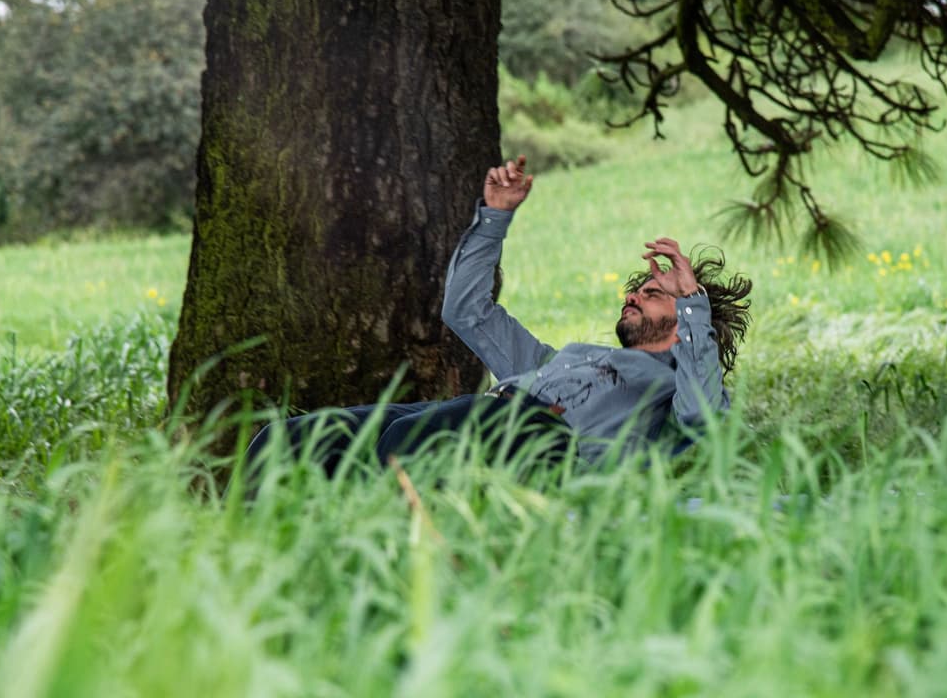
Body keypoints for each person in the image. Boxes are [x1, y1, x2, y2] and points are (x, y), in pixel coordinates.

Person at [245, 155, 753, 474]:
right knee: (290, 439)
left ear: (690, 316)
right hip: (488, 408)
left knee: (407, 442)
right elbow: (465, 311)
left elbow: (702, 419)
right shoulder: (560, 360)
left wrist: (692, 304)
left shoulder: (673, 389)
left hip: (549, 440)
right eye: (638, 289)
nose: (635, 296)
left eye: (655, 293)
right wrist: (494, 219)